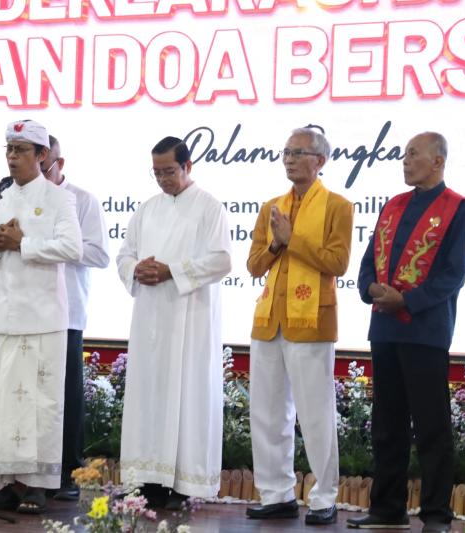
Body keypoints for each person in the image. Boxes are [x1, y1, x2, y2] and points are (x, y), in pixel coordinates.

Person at [348, 132, 465, 533]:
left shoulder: (459, 209)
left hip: (425, 330)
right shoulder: (392, 205)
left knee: (431, 427)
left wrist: (406, 300)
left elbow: (453, 276)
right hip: (384, 328)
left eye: (413, 154)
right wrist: (370, 289)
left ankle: (437, 515)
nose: (404, 161)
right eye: (404, 154)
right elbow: (369, 259)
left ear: (437, 161)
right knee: (386, 425)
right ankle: (387, 509)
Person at [0, 120, 82, 514]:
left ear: (42, 155)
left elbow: (73, 248)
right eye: (9, 150)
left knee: (40, 404)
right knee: (1, 405)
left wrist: (23, 243)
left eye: (21, 150)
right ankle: (8, 484)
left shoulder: (60, 198)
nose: (13, 157)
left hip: (44, 319)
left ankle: (38, 485)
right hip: (1, 317)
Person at [116, 136, 233, 510]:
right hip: (150, 318)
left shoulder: (209, 207)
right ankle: (147, 479)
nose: (163, 179)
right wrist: (137, 269)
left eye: (169, 171)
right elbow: (124, 255)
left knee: (187, 395)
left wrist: (173, 271)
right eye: (157, 173)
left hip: (190, 319)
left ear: (187, 166)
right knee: (148, 394)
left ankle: (185, 483)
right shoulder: (147, 209)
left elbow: (221, 260)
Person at [245, 128, 352, 526]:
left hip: (312, 320)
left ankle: (324, 497)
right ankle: (276, 493)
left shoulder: (338, 206)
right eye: (286, 152)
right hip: (269, 319)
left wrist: (292, 240)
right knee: (267, 413)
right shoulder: (272, 206)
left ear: (319, 161)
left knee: (315, 413)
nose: (289, 159)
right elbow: (254, 265)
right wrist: (276, 243)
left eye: (298, 152)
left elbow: (338, 263)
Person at [41, 134, 110, 501]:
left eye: (44, 167)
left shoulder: (83, 201)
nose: (37, 175)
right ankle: (30, 475)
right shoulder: (18, 200)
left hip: (66, 313)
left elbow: (100, 254)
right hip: (28, 315)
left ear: (60, 164)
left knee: (65, 397)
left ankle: (68, 474)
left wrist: (54, 247)